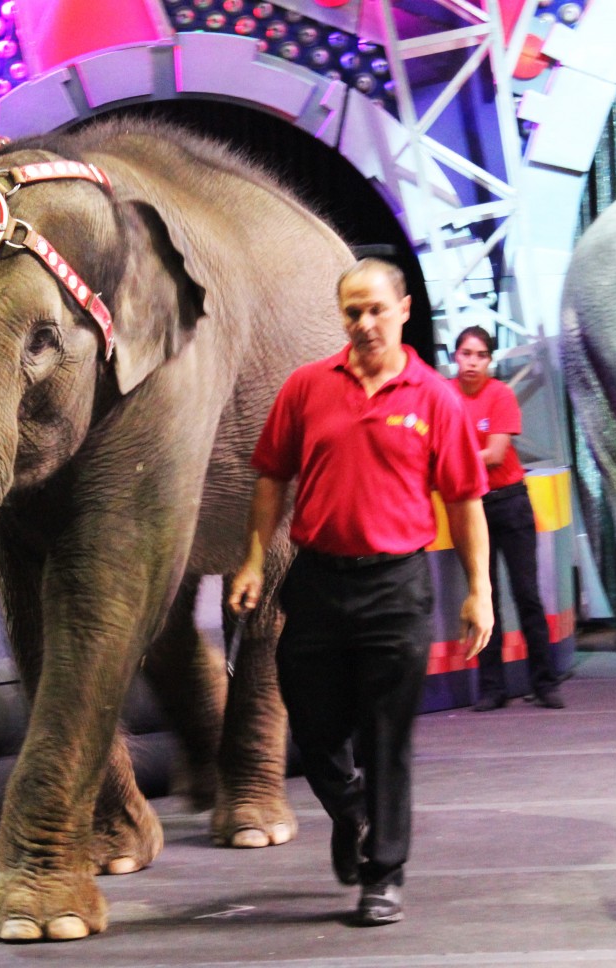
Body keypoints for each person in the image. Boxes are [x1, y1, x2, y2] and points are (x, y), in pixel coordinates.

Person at [229, 258, 493, 926]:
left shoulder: (435, 398)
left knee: (387, 738)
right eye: (352, 311)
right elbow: (270, 478)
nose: (365, 323)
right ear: (340, 316)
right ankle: (351, 813)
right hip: (315, 580)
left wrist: (478, 591)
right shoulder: (306, 388)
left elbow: (464, 502)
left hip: (396, 588)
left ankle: (385, 875)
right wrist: (255, 560)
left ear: (403, 309)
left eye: (376, 309)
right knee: (315, 730)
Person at [450, 326, 564, 711]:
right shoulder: (444, 396)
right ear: (455, 357)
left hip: (511, 502)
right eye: (466, 353)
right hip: (472, 507)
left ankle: (545, 683)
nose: (472, 361)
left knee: (527, 594)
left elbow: (496, 454)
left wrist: (448, 458)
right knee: (485, 598)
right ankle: (492, 688)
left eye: (480, 355)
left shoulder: (499, 394)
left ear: (489, 360)